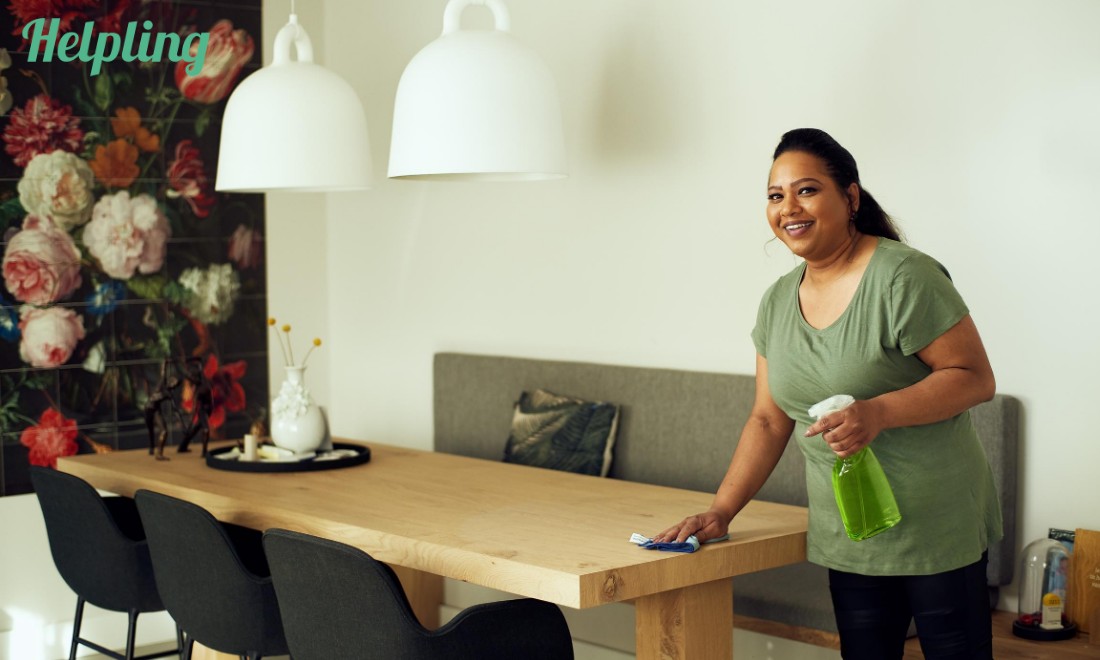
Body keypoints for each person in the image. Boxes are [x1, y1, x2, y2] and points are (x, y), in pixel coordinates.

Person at [655, 128, 1002, 659]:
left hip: (938, 526)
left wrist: (879, 412)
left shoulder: (902, 276)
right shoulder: (776, 302)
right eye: (775, 195)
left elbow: (975, 377)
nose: (788, 207)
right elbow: (769, 420)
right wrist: (722, 511)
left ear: (851, 198)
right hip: (850, 534)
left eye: (807, 190)